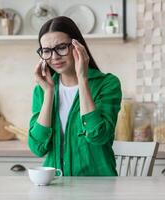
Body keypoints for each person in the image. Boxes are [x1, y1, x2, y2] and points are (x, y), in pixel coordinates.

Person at [28, 16, 122, 176]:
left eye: (61, 47)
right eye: (47, 51)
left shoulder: (107, 83)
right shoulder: (41, 90)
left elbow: (99, 136)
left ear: (77, 47)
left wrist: (83, 79)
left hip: (97, 187)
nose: (54, 57)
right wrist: (49, 93)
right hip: (56, 186)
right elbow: (37, 148)